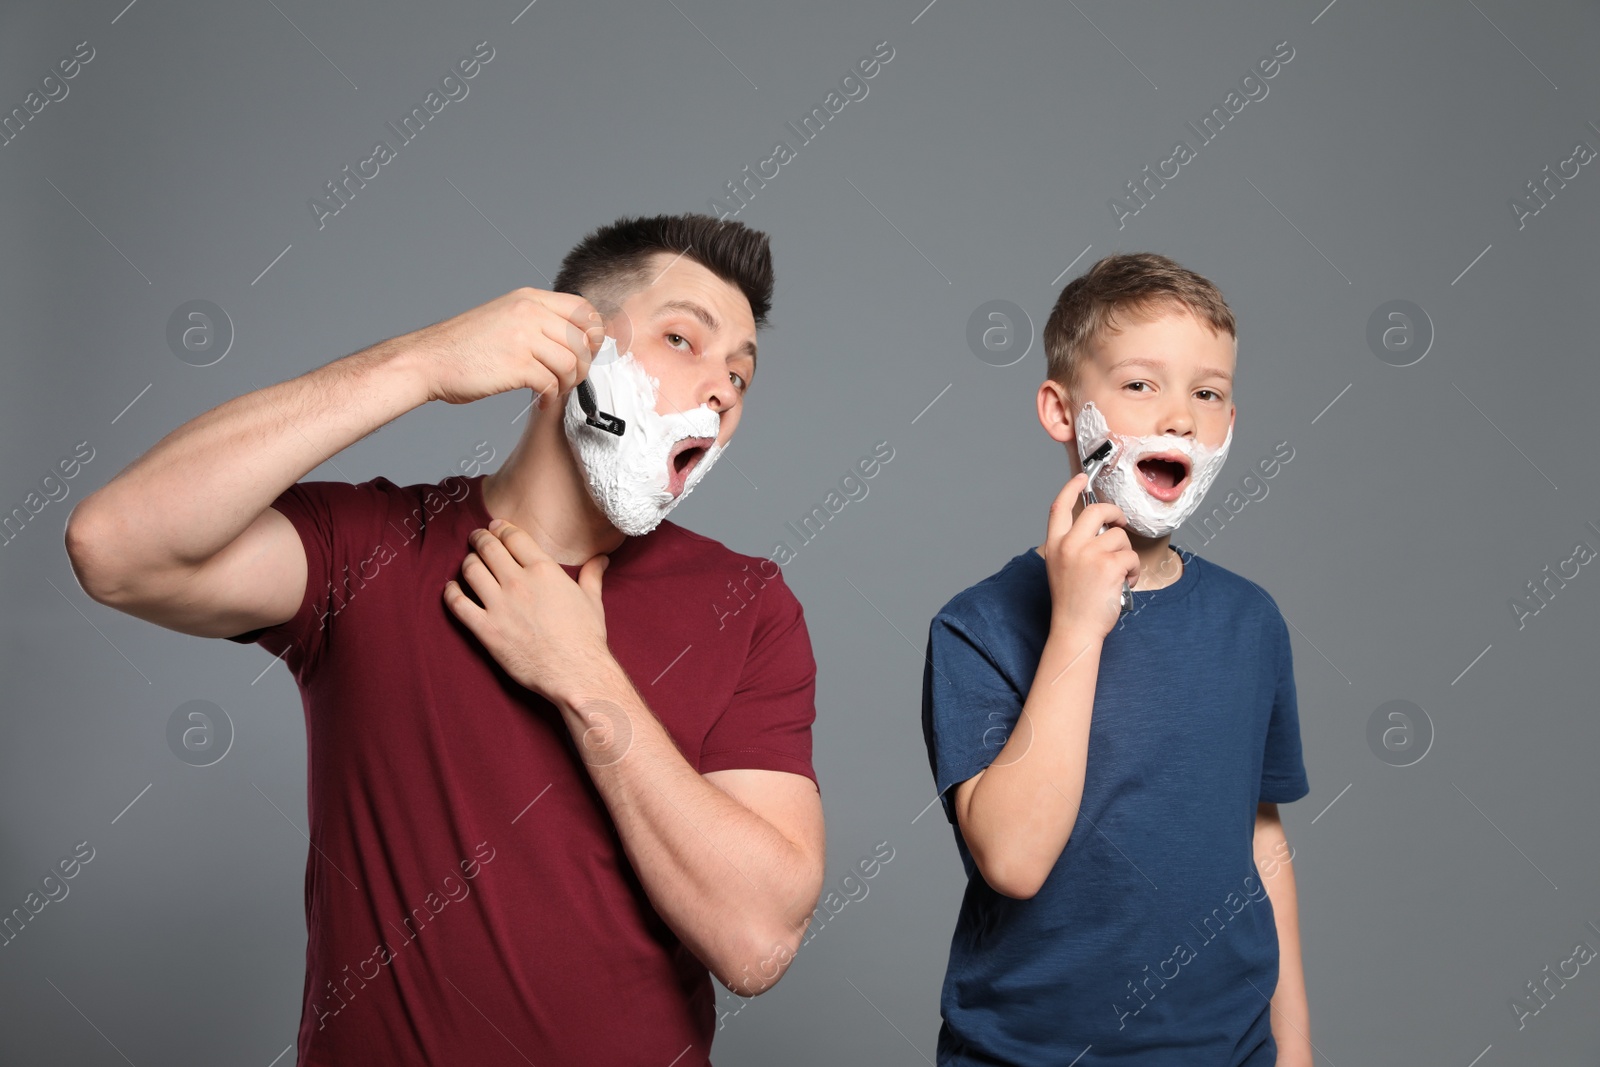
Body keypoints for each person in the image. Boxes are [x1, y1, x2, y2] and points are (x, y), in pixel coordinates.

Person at [64, 214, 826, 1066]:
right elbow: (115, 545)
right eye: (684, 338)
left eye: (740, 377)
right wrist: (418, 363)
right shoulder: (370, 548)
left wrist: (583, 675)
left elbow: (759, 940)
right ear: (565, 347)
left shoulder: (747, 605)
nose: (722, 389)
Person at [920, 252, 1312, 1065]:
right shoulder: (977, 626)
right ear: (1063, 411)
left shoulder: (1252, 622)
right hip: (1024, 1052)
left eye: (1207, 393)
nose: (1179, 418)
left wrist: (1297, 1049)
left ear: (1230, 425)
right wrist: (1075, 627)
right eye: (1142, 385)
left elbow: (1262, 841)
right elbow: (1014, 859)